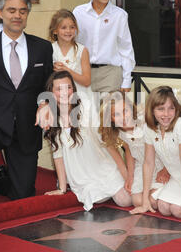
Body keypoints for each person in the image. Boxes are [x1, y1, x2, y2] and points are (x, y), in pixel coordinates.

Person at [0, 0, 53, 205]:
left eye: (22, 11)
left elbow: (50, 83)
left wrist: (47, 104)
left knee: (23, 195)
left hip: (27, 125)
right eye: (11, 10)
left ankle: (2, 179)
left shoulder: (43, 48)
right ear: (0, 13)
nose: (17, 15)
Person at [44, 71, 132, 211]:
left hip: (102, 166)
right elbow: (58, 154)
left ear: (74, 89)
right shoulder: (50, 117)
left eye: (68, 87)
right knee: (96, 197)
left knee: (125, 200)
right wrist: (62, 187)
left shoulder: (87, 108)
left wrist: (127, 177)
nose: (65, 92)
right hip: (80, 176)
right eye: (59, 89)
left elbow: (108, 144)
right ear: (51, 92)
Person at [130, 86, 181, 220]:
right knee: (162, 207)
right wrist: (145, 202)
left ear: (176, 108)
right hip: (176, 178)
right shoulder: (150, 129)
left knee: (177, 211)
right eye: (161, 109)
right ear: (152, 110)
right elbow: (148, 163)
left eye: (171, 108)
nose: (166, 114)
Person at [99, 90, 168, 208]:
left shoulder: (145, 123)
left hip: (161, 162)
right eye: (116, 114)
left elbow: (167, 146)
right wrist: (130, 176)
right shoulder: (119, 132)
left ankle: (167, 194)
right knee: (136, 201)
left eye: (125, 111)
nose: (123, 118)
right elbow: (130, 152)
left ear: (131, 108)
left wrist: (166, 169)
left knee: (153, 201)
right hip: (141, 165)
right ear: (110, 118)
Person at [73, 0, 135, 93]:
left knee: (109, 112)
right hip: (83, 72)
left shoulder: (120, 15)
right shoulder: (78, 13)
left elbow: (126, 49)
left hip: (110, 73)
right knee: (85, 112)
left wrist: (127, 79)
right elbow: (73, 43)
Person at [48, 9, 94, 122]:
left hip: (80, 98)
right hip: (58, 100)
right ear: (55, 31)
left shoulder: (82, 50)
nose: (68, 31)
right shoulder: (49, 49)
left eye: (72, 27)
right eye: (63, 27)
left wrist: (67, 71)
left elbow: (87, 81)